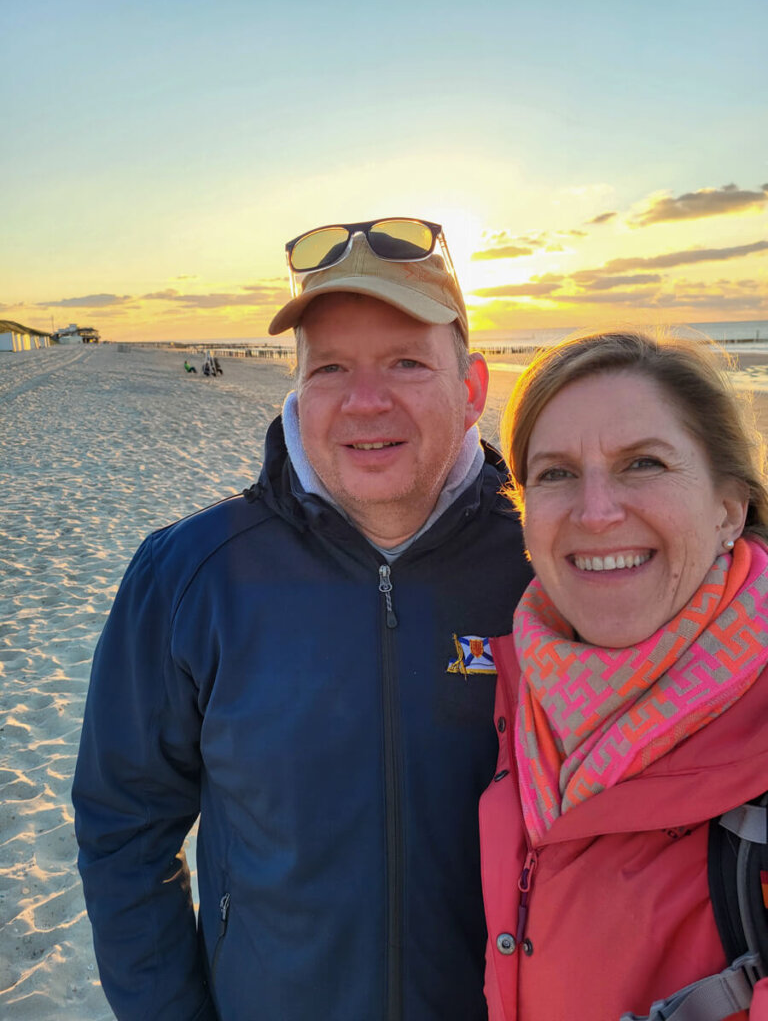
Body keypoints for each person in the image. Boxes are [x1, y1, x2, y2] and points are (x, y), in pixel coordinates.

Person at [72, 217, 533, 1021]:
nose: (364, 401)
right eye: (331, 368)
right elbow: (124, 828)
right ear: (299, 389)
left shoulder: (545, 570)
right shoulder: (190, 573)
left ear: (473, 390)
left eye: (405, 362)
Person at [479, 330, 768, 1020]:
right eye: (555, 473)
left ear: (729, 507)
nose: (597, 511)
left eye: (642, 463)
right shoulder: (523, 691)